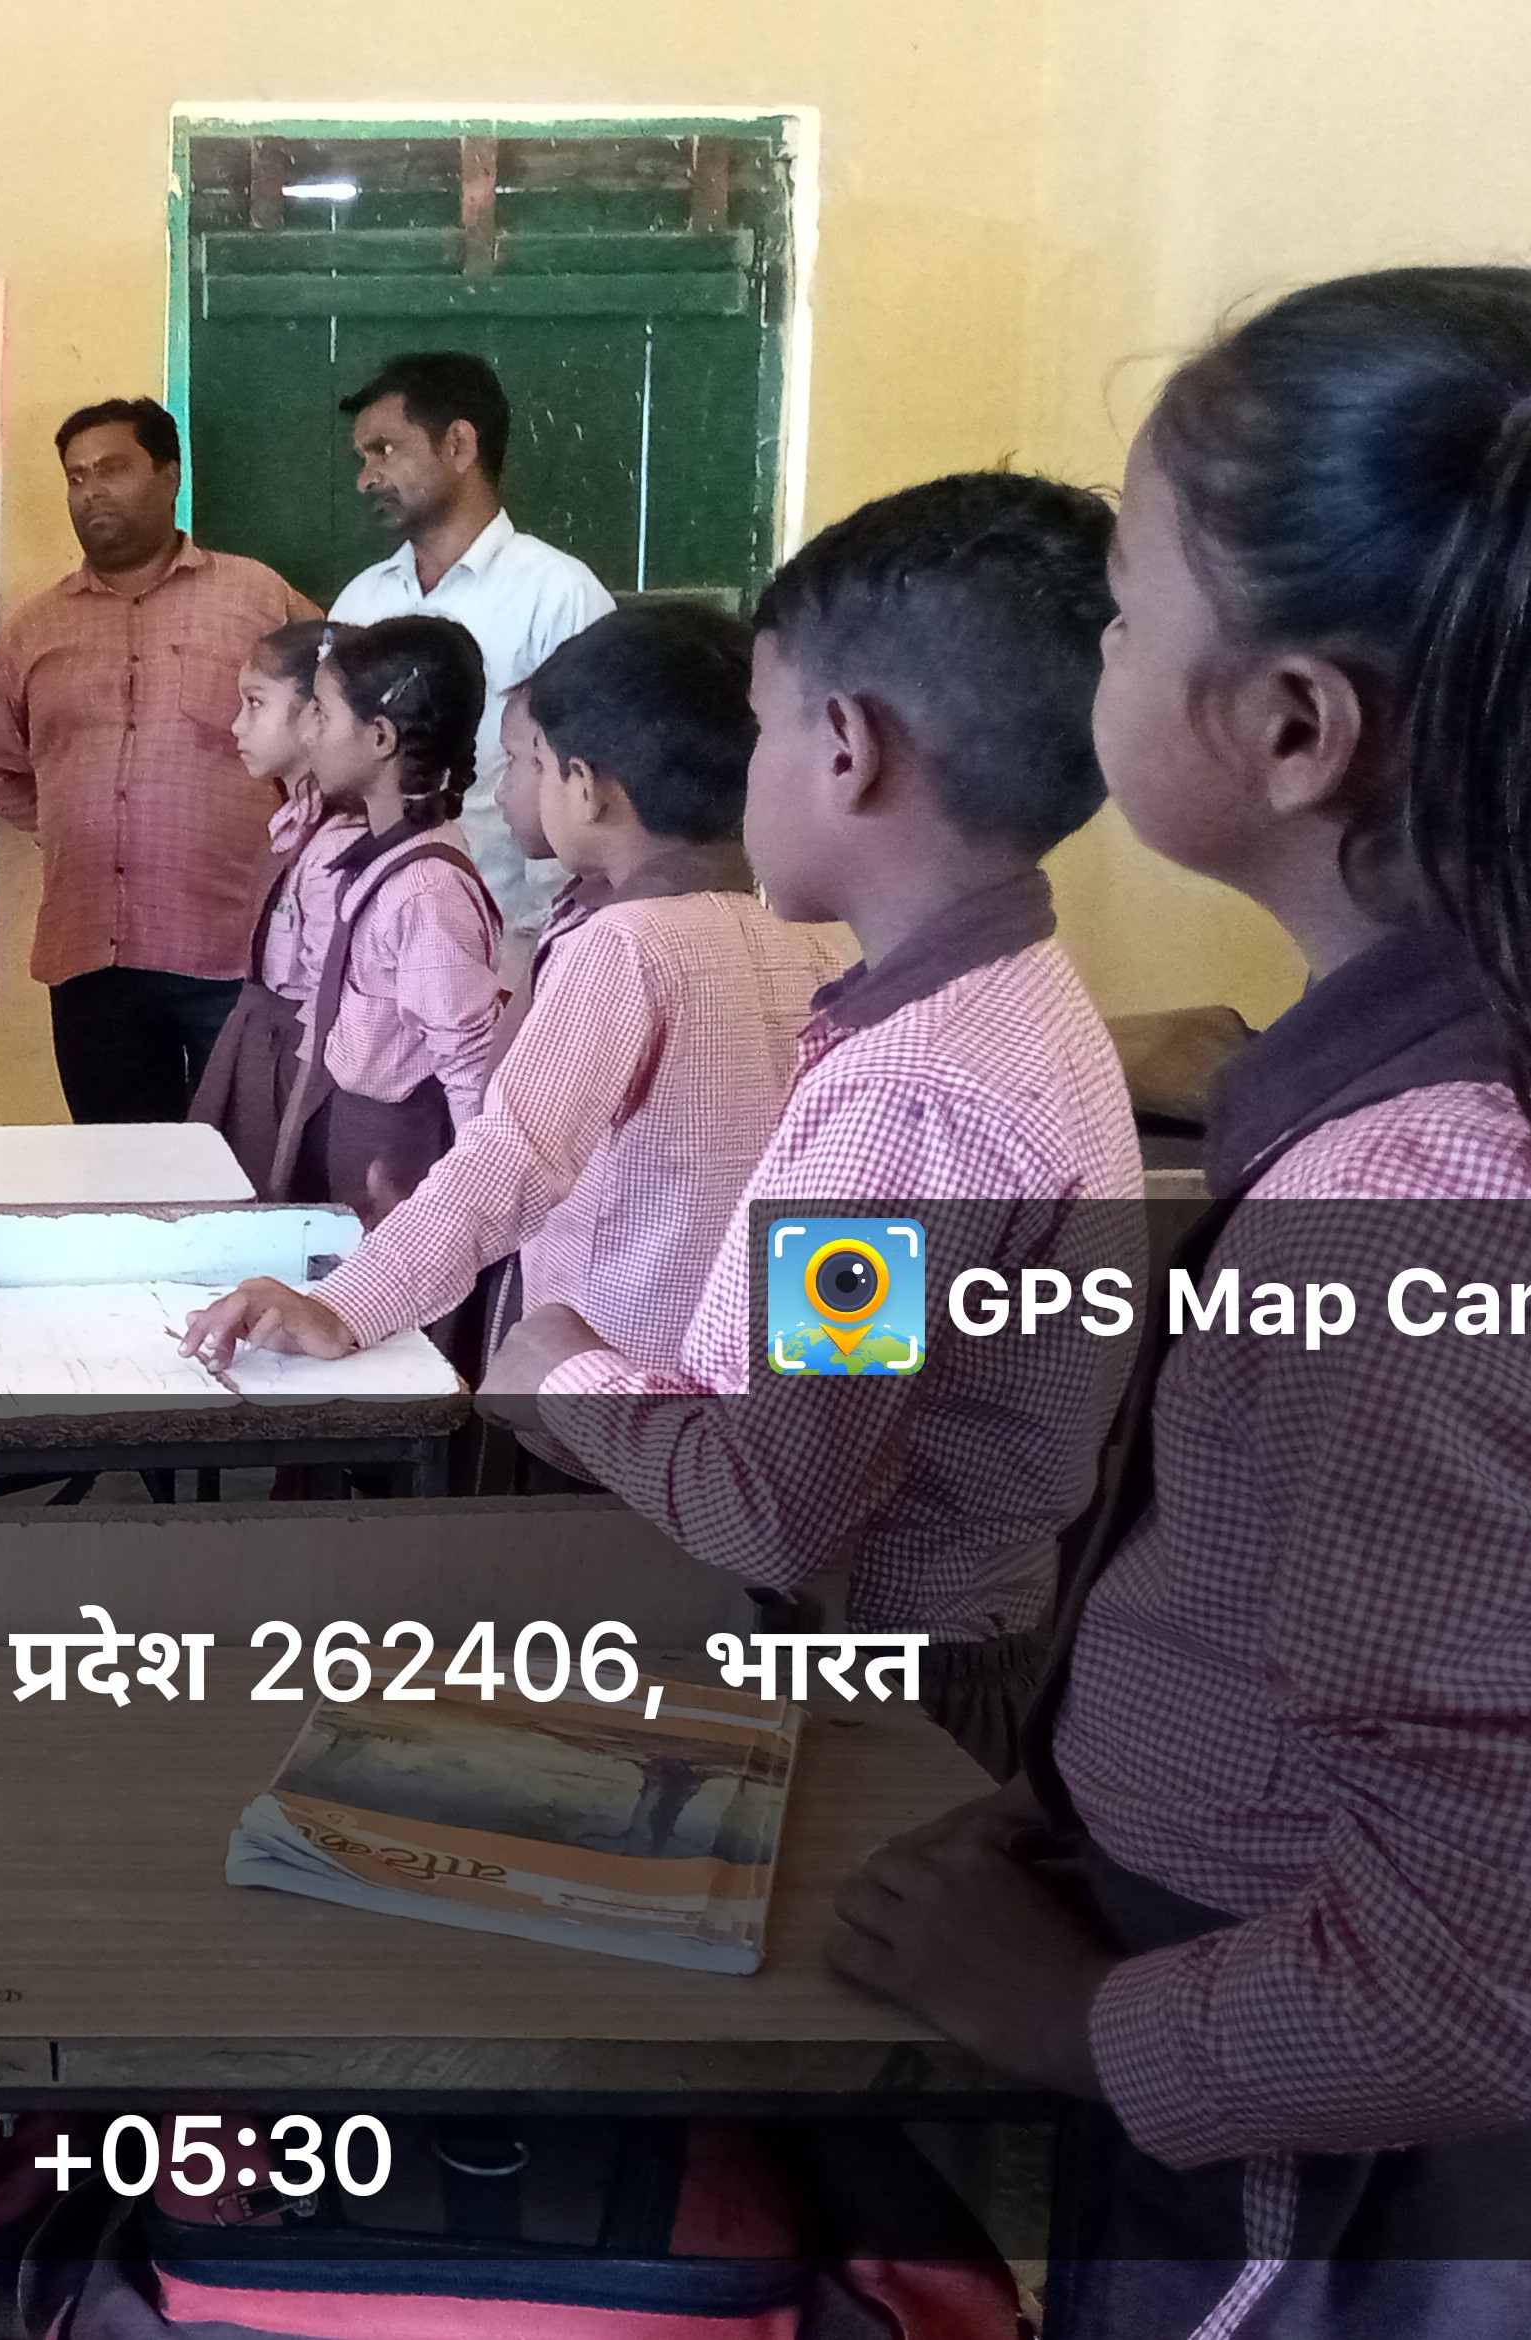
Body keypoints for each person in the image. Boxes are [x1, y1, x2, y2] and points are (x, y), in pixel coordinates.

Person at [830, 274, 1531, 2340]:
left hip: (1362, 2191)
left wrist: (1079, 2019)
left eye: (1125, 612)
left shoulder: (1402, 1232)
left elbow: (1474, 1983)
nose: (1102, 655)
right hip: (1319, 1970)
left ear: (1294, 724)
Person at [483, 473, 1141, 1774]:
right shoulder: (1004, 998)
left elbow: (768, 1507)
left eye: (754, 726)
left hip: (885, 1684)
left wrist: (560, 1366)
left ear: (845, 747)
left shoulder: (911, 1102)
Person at [188, 603, 842, 1377]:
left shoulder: (626, 948)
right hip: (758, 1371)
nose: (511, 786)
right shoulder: (824, 944)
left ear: (586, 789)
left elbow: (513, 1155)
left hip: (605, 1371)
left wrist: (343, 1306)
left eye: (531, 761)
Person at [0, 396, 320, 1122]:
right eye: (76, 477)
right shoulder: (33, 629)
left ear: (169, 476)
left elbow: (333, 736)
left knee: (241, 1161)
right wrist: (69, 822)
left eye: (113, 469)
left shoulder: (258, 598)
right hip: (91, 958)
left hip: (236, 953)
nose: (91, 491)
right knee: (118, 1170)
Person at [186, 617, 504, 1214]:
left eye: (323, 717)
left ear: (379, 738)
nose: (309, 736)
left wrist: (470, 1204)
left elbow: (468, 1068)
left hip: (398, 1142)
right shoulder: (379, 860)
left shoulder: (424, 888)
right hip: (353, 1124)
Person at [326, 350, 616, 938]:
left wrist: (539, 944)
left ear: (458, 444)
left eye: (384, 450)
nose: (365, 479)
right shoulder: (360, 603)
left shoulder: (558, 595)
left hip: (511, 938)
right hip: (370, 934)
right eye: (363, 459)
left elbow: (593, 785)